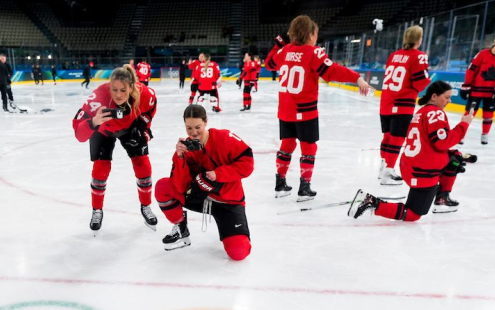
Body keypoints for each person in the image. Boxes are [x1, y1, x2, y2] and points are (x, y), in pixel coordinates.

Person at [265, 16, 372, 200]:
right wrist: (356, 77)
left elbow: (269, 64)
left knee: (287, 145)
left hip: (285, 110)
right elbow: (332, 71)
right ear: (310, 34)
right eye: (316, 33)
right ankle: (304, 188)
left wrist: (278, 44)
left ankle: (280, 183)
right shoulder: (314, 52)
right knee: (308, 147)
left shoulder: (285, 51)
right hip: (305, 110)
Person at [348, 81, 474, 221]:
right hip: (422, 172)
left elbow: (430, 142)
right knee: (414, 214)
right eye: (446, 97)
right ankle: (371, 202)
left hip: (411, 166)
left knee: (454, 160)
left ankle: (442, 199)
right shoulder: (436, 113)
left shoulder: (422, 112)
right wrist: (464, 124)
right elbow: (442, 142)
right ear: (434, 96)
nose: (449, 101)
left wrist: (452, 153)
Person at [155, 105, 253, 260]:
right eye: (189, 128)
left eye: (198, 127)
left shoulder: (224, 137)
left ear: (206, 122)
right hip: (200, 197)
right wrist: (180, 158)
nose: (193, 133)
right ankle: (181, 230)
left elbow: (247, 164)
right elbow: (180, 186)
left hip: (228, 202)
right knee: (163, 186)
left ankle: (235, 232)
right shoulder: (187, 147)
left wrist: (218, 174)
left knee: (238, 253)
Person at [72, 65, 158, 235]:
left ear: (132, 87)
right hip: (103, 130)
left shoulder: (144, 93)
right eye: (114, 89)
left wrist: (142, 126)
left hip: (129, 127)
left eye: (123, 90)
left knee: (143, 164)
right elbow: (79, 134)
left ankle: (146, 206)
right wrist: (93, 122)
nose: (118, 94)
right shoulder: (98, 97)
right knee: (100, 169)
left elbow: (151, 106)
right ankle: (97, 210)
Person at [377, 25, 430, 185]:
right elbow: (421, 83)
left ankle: (383, 167)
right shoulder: (419, 56)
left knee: (387, 137)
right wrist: (428, 79)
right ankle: (388, 171)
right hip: (402, 104)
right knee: (397, 138)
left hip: (386, 102)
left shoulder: (394, 55)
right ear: (418, 39)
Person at [460, 32, 495, 145]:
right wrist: (466, 85)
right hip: (476, 89)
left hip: (491, 91)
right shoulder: (482, 54)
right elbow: (471, 70)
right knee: (470, 113)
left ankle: (485, 135)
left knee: (488, 114)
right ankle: (461, 135)